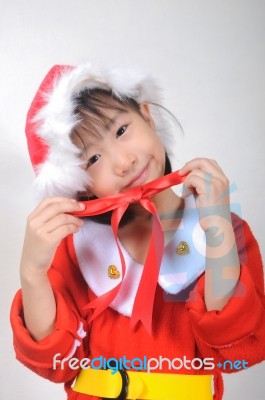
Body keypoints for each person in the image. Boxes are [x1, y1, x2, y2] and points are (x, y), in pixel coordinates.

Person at [10, 62, 265, 400]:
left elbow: (232, 342)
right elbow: (55, 360)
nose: (123, 162)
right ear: (78, 184)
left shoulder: (223, 228)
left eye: (121, 131)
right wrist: (33, 272)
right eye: (92, 160)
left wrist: (216, 228)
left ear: (147, 115)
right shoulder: (76, 247)